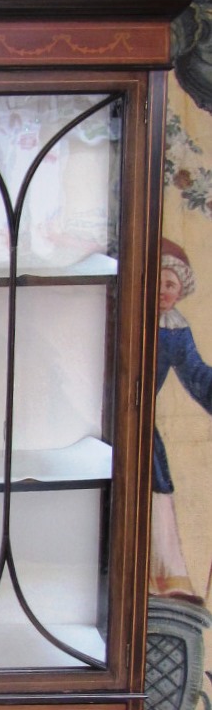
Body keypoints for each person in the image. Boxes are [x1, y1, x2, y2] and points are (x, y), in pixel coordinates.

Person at [150, 238, 212, 603]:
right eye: (155, 282)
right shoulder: (122, 314)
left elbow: (198, 376)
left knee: (158, 479)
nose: (162, 292)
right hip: (106, 415)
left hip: (138, 422)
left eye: (170, 285)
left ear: (179, 291)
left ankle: (166, 578)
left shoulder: (174, 330)